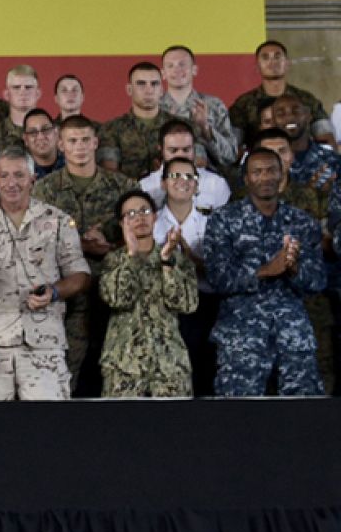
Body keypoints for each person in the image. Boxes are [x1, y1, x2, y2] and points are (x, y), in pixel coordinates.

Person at [0, 147, 88, 400]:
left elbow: (80, 275)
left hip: (45, 345)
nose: (11, 183)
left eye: (19, 175)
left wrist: (55, 291)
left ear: (33, 178)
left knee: (47, 429)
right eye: (4, 176)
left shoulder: (57, 220)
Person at [203, 148, 325, 396]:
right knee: (240, 419)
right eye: (257, 172)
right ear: (246, 179)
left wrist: (294, 270)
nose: (265, 177)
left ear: (281, 175)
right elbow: (217, 278)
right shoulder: (223, 220)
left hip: (293, 334)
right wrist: (264, 271)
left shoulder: (302, 222)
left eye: (271, 171)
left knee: (304, 415)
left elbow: (318, 280)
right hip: (242, 336)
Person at [31, 114, 137, 396]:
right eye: (72, 141)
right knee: (63, 377)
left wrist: (109, 247)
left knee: (114, 375)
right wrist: (80, 244)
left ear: (96, 143)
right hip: (65, 299)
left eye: (85, 140)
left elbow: (139, 242)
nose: (79, 147)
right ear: (61, 145)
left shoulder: (123, 187)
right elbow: (35, 243)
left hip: (113, 297)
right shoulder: (45, 190)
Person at [98, 190, 197, 397]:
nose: (139, 217)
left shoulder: (176, 258)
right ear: (121, 223)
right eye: (131, 214)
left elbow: (187, 304)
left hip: (169, 366)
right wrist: (131, 256)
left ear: (154, 216)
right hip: (124, 367)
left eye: (144, 211)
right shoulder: (113, 261)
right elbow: (117, 299)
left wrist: (167, 262)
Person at [153, 155, 218, 396]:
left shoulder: (211, 223)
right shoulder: (150, 222)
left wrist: (187, 256)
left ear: (197, 184)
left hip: (203, 307)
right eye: (175, 176)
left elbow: (218, 271)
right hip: (164, 309)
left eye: (189, 176)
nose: (183, 181)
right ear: (163, 184)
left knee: (202, 375)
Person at [228, 40, 334, 145]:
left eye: (277, 57)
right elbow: (233, 146)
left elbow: (326, 137)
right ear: (257, 67)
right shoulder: (244, 104)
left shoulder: (306, 100)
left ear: (287, 64)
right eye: (265, 57)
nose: (272, 62)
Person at [159, 45, 239, 174]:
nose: (177, 70)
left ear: (194, 70)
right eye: (170, 66)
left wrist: (206, 129)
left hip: (209, 182)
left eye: (182, 64)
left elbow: (230, 156)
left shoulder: (213, 105)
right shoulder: (154, 108)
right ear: (163, 74)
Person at [98, 62, 167, 181]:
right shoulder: (111, 129)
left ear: (161, 90)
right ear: (129, 89)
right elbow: (109, 174)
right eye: (141, 84)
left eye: (154, 84)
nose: (149, 90)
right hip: (128, 195)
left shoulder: (181, 127)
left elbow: (196, 169)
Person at [0, 64, 41, 158]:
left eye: (28, 87)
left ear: (38, 94)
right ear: (7, 94)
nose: (22, 92)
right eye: (16, 87)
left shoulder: (51, 133)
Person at [21, 108, 63, 178]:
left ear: (56, 133)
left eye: (45, 129)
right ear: (26, 139)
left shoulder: (73, 166)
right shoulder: (20, 172)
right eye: (33, 132)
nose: (40, 137)